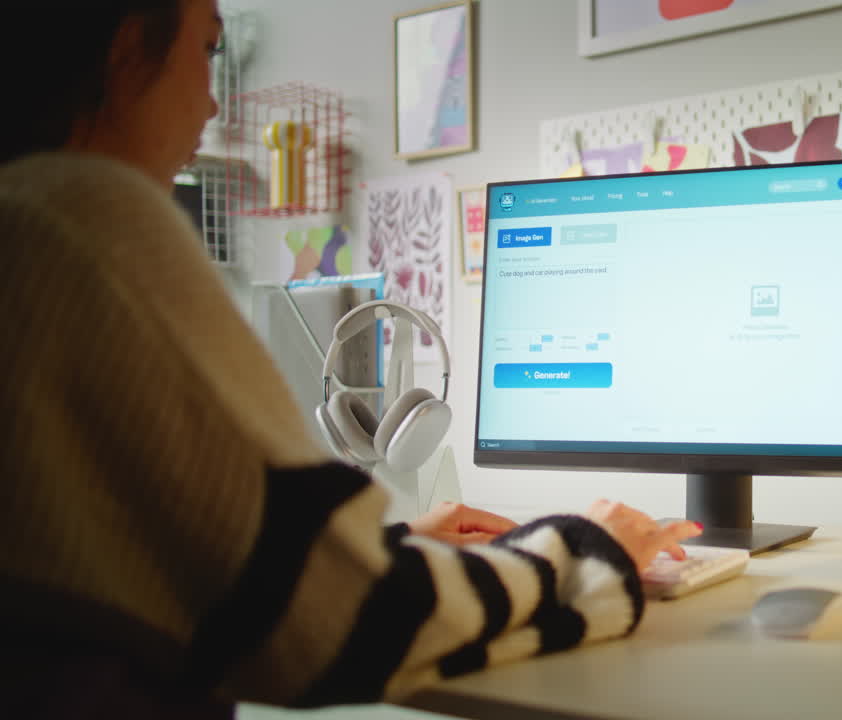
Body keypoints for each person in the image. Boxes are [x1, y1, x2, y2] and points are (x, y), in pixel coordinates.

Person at [0, 1, 701, 717]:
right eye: (209, 49)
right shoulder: (80, 220)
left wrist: (386, 544)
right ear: (125, 50)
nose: (214, 103)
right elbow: (338, 623)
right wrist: (583, 549)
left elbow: (163, 574)